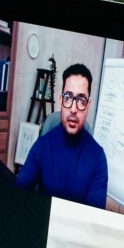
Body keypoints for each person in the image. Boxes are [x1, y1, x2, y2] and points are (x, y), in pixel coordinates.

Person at [13, 61, 110, 207]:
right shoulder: (42, 146)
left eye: (81, 100)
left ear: (88, 106)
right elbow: (18, 194)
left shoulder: (98, 158)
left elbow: (93, 219)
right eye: (68, 97)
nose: (73, 109)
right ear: (60, 101)